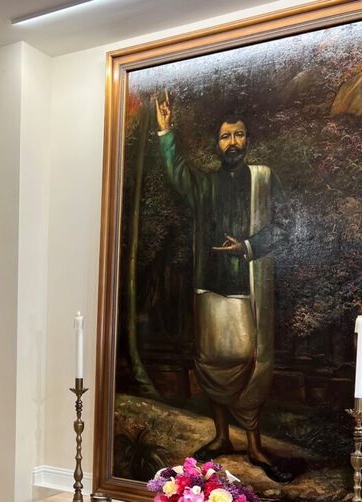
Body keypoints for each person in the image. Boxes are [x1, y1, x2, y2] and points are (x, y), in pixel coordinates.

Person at [155, 92, 291, 483]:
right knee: (210, 360)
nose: (232, 142)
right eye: (225, 136)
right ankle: (220, 437)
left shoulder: (263, 178)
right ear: (217, 143)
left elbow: (286, 225)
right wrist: (165, 132)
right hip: (209, 286)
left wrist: (247, 247)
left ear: (248, 139)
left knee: (251, 360)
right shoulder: (205, 183)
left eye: (239, 134)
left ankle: (254, 445)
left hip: (247, 287)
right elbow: (178, 173)